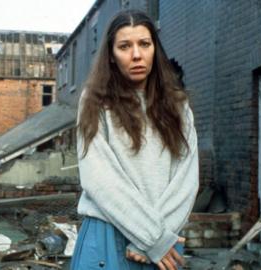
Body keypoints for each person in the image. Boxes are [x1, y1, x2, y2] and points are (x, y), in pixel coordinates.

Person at [71, 9, 199, 270]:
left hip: (164, 239)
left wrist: (152, 241)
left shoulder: (178, 106)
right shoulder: (95, 102)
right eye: (124, 46)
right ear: (111, 55)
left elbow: (186, 179)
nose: (137, 55)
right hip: (107, 238)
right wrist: (152, 238)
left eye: (144, 44)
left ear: (155, 49)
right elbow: (99, 179)